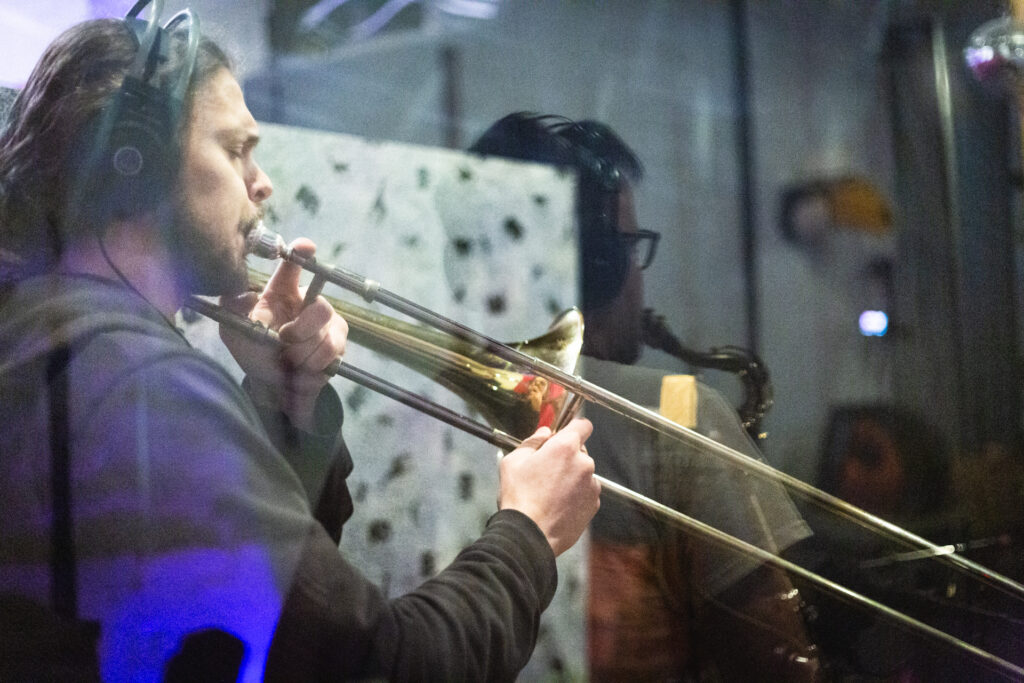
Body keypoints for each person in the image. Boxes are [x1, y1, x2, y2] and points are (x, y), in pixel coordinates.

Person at [0, 10, 600, 682]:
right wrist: (528, 532)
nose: (262, 183)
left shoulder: (47, 339)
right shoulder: (142, 386)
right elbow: (385, 664)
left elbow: (252, 631)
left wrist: (286, 404)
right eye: (235, 150)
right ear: (135, 168)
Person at [470, 113, 821, 681]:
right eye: (630, 248)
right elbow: (779, 664)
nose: (637, 275)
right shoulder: (679, 410)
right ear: (599, 264)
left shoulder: (425, 411)